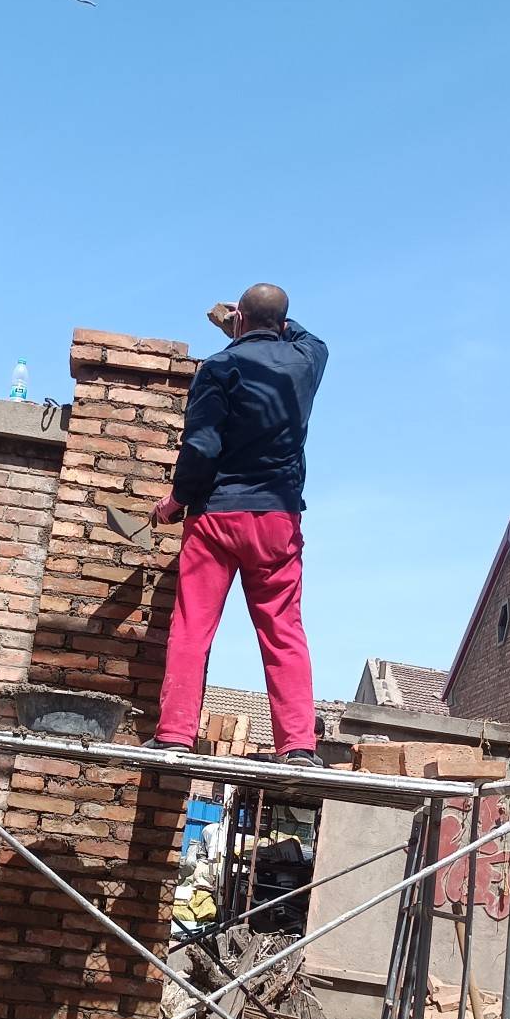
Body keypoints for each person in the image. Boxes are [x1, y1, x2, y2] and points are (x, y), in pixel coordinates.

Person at [146, 283, 328, 764]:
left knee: (193, 626)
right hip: (278, 519)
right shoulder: (307, 360)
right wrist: (248, 323)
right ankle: (298, 745)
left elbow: (201, 446)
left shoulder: (219, 368)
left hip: (217, 519)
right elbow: (309, 337)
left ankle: (174, 734)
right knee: (284, 629)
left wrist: (175, 501)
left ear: (240, 320)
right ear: (282, 324)